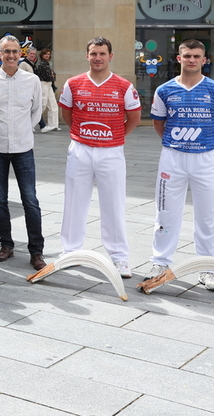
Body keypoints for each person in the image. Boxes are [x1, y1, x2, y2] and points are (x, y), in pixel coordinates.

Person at [146, 40, 214, 291]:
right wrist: (177, 144)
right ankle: (160, 263)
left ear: (204, 60)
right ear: (179, 58)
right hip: (172, 157)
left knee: (207, 216)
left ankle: (207, 268)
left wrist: (203, 143)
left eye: (196, 56)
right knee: (166, 213)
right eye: (187, 55)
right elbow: (159, 124)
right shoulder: (164, 90)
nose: (191, 59)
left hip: (205, 158)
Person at [59, 37, 141, 278]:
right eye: (93, 53)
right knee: (74, 202)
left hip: (111, 152)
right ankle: (70, 251)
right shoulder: (73, 84)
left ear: (110, 56)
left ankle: (119, 258)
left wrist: (113, 136)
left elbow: (134, 118)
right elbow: (68, 114)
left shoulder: (124, 86)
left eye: (102, 53)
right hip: (80, 148)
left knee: (114, 204)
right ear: (87, 56)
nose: (97, 58)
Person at [0, 35, 45, 270]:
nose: (11, 55)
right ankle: (6, 245)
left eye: (15, 51)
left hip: (23, 147)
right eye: (6, 51)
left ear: (21, 54)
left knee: (30, 200)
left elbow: (36, 111)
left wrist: (24, 130)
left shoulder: (32, 80)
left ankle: (36, 251)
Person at [36, 47, 60, 132]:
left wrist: (52, 76)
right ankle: (32, 122)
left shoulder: (47, 64)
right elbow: (48, 76)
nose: (47, 56)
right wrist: (52, 76)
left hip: (48, 84)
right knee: (42, 104)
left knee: (53, 104)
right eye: (45, 54)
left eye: (49, 54)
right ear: (42, 55)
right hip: (43, 84)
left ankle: (53, 124)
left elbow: (52, 76)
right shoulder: (41, 64)